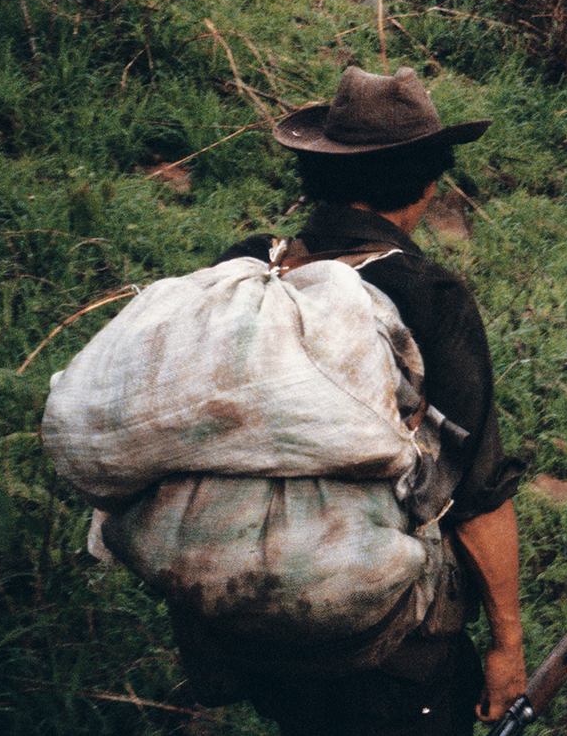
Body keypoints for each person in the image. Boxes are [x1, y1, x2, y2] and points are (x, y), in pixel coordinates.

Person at [184, 66, 527, 736]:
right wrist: (507, 645)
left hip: (258, 617)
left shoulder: (254, 264)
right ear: (428, 183)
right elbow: (473, 497)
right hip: (389, 646)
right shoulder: (428, 296)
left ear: (318, 172)